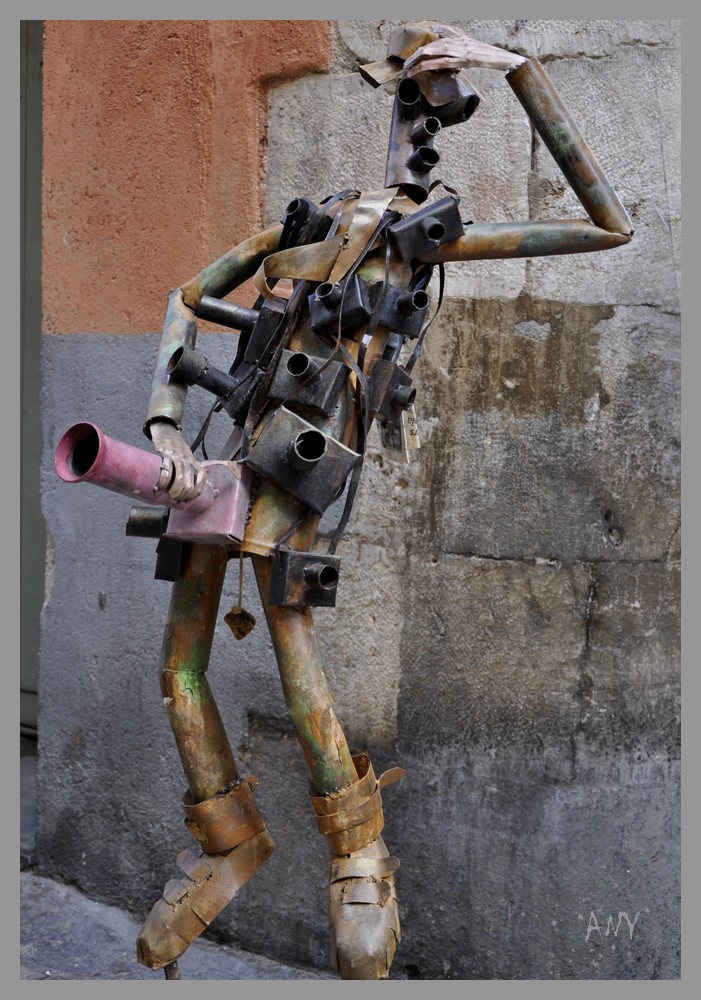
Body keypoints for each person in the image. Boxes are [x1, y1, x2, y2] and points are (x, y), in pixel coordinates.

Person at [134, 21, 633, 980]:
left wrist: (518, 70)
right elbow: (188, 296)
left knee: (288, 635)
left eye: (437, 89)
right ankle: (225, 839)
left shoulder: (429, 237)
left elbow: (608, 224)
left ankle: (360, 855)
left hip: (308, 454)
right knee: (179, 662)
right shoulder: (307, 221)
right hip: (230, 447)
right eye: (409, 84)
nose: (419, 110)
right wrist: (164, 424)